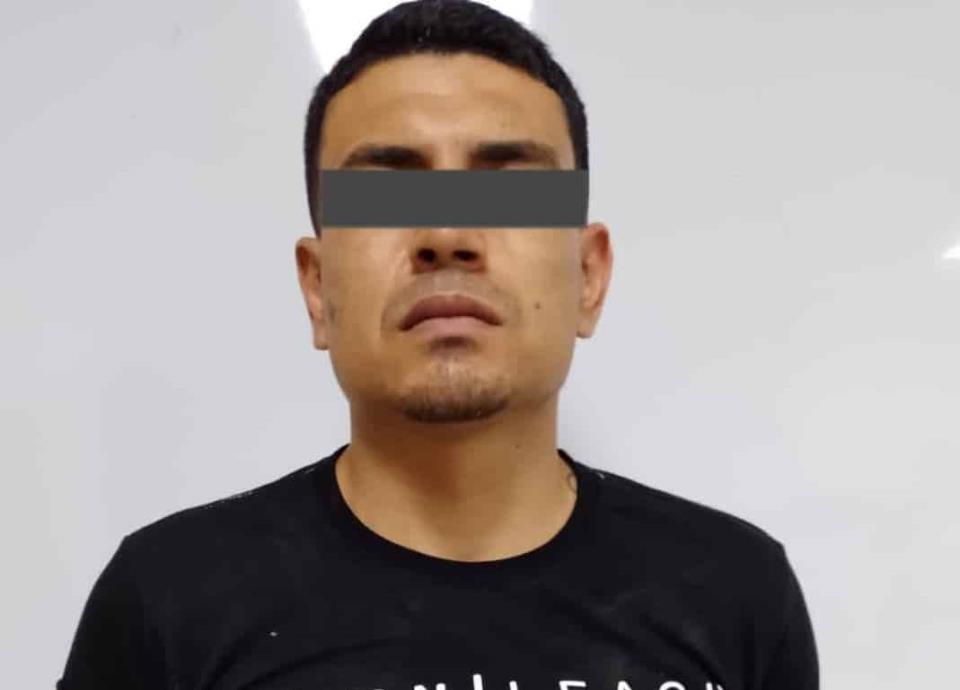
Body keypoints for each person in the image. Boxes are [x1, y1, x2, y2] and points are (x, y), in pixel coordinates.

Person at [56, 1, 819, 688]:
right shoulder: (168, 602)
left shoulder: (735, 592)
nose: (448, 232)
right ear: (317, 289)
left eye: (509, 188)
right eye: (387, 191)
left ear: (588, 276)